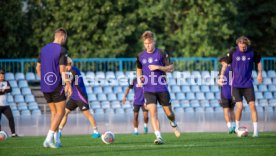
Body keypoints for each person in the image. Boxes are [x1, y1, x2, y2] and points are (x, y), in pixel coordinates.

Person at [136, 31, 180, 145]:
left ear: (154, 42)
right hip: (148, 90)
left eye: (149, 43)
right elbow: (139, 68)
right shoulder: (140, 56)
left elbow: (171, 68)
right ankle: (159, 137)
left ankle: (173, 122)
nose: (148, 46)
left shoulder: (161, 53)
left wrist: (158, 67)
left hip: (162, 88)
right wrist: (139, 78)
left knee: (169, 113)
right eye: (145, 44)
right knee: (153, 113)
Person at [36, 28, 72, 148]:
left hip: (45, 86)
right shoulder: (62, 50)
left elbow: (38, 68)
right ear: (63, 37)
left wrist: (43, 80)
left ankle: (55, 140)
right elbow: (62, 70)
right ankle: (48, 139)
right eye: (65, 38)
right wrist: (67, 84)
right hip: (56, 85)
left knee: (54, 112)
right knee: (61, 112)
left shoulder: (44, 49)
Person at [219, 36, 262, 137]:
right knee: (240, 106)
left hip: (248, 84)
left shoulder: (252, 52)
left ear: (247, 45)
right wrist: (221, 75)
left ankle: (256, 131)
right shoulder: (233, 52)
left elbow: (259, 61)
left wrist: (260, 73)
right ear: (238, 44)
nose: (242, 48)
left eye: (244, 46)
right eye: (241, 46)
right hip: (236, 85)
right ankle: (237, 127)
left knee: (252, 106)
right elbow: (225, 64)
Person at [58, 57, 100, 141]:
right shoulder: (66, 73)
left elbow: (68, 84)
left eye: (63, 64)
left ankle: (96, 131)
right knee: (65, 113)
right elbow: (64, 85)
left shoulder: (74, 70)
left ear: (68, 64)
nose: (62, 66)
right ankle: (59, 131)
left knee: (87, 114)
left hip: (80, 96)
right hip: (73, 97)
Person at [217, 57, 236, 134]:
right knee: (229, 111)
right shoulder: (230, 69)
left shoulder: (230, 69)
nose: (221, 64)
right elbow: (220, 81)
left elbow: (220, 82)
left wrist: (220, 82)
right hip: (229, 93)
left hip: (228, 92)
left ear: (225, 62)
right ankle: (232, 127)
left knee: (228, 111)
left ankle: (232, 127)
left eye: (222, 63)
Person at [0, 70, 18, 137]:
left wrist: (3, 90)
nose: (2, 77)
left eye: (3, 75)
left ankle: (13, 133)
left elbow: (10, 89)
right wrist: (4, 90)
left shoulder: (6, 82)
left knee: (11, 118)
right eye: (1, 76)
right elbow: (4, 91)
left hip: (6, 105)